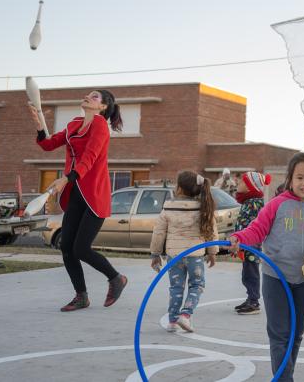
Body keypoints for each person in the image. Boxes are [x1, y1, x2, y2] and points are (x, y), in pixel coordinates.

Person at [228, 152, 304, 382]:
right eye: (300, 177)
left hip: (303, 278)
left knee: (296, 334)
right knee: (280, 334)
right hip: (275, 276)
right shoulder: (276, 205)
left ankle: (285, 374)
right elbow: (257, 229)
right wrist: (240, 237)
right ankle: (283, 379)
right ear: (290, 179)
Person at [29, 90, 127, 312]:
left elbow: (90, 158)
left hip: (94, 195)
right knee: (66, 247)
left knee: (81, 248)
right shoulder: (74, 124)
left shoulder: (100, 125)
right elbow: (48, 144)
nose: (87, 97)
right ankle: (81, 296)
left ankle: (116, 278)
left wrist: (67, 178)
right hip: (74, 193)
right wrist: (39, 126)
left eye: (94, 97)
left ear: (102, 107)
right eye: (88, 95)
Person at [149, 171, 218, 332]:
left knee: (176, 288)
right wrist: (213, 252)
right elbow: (212, 232)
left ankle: (173, 321)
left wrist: (155, 254)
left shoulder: (167, 208)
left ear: (179, 188)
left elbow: (158, 233)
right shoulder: (204, 208)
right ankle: (185, 316)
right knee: (197, 285)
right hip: (195, 256)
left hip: (174, 257)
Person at [233, 171, 271, 315]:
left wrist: (243, 239)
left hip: (251, 245)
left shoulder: (255, 203)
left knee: (251, 272)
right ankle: (251, 297)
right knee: (246, 273)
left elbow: (253, 225)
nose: (238, 183)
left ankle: (254, 302)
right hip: (244, 244)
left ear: (250, 187)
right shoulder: (248, 202)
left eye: (242, 182)